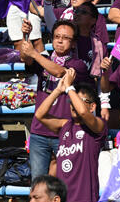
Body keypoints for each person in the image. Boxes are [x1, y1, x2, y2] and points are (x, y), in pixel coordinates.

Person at [35, 70, 106, 202]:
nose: (74, 105)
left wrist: (70, 88)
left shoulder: (97, 126)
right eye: (72, 101)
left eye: (80, 100)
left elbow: (82, 110)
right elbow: (40, 115)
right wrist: (58, 91)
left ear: (92, 107)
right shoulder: (64, 125)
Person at [20, 20, 90, 180]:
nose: (59, 40)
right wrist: (25, 35)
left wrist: (34, 53)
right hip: (39, 132)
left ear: (73, 43)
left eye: (65, 38)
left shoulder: (78, 65)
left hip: (64, 132)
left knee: (65, 181)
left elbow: (59, 73)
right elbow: (26, 58)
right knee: (38, 182)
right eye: (57, 36)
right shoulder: (43, 59)